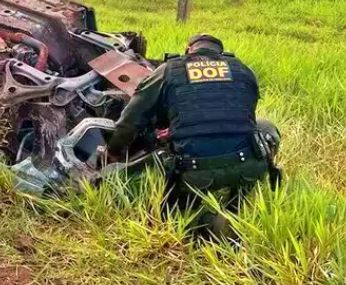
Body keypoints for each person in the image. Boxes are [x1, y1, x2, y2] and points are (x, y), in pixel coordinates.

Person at [104, 33, 282, 239]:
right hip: (248, 165)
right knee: (265, 126)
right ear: (221, 52)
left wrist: (114, 152)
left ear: (189, 49)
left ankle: (211, 223)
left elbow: (131, 118)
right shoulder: (243, 70)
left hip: (196, 172)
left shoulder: (170, 69)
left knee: (175, 218)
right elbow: (246, 116)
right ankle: (238, 202)